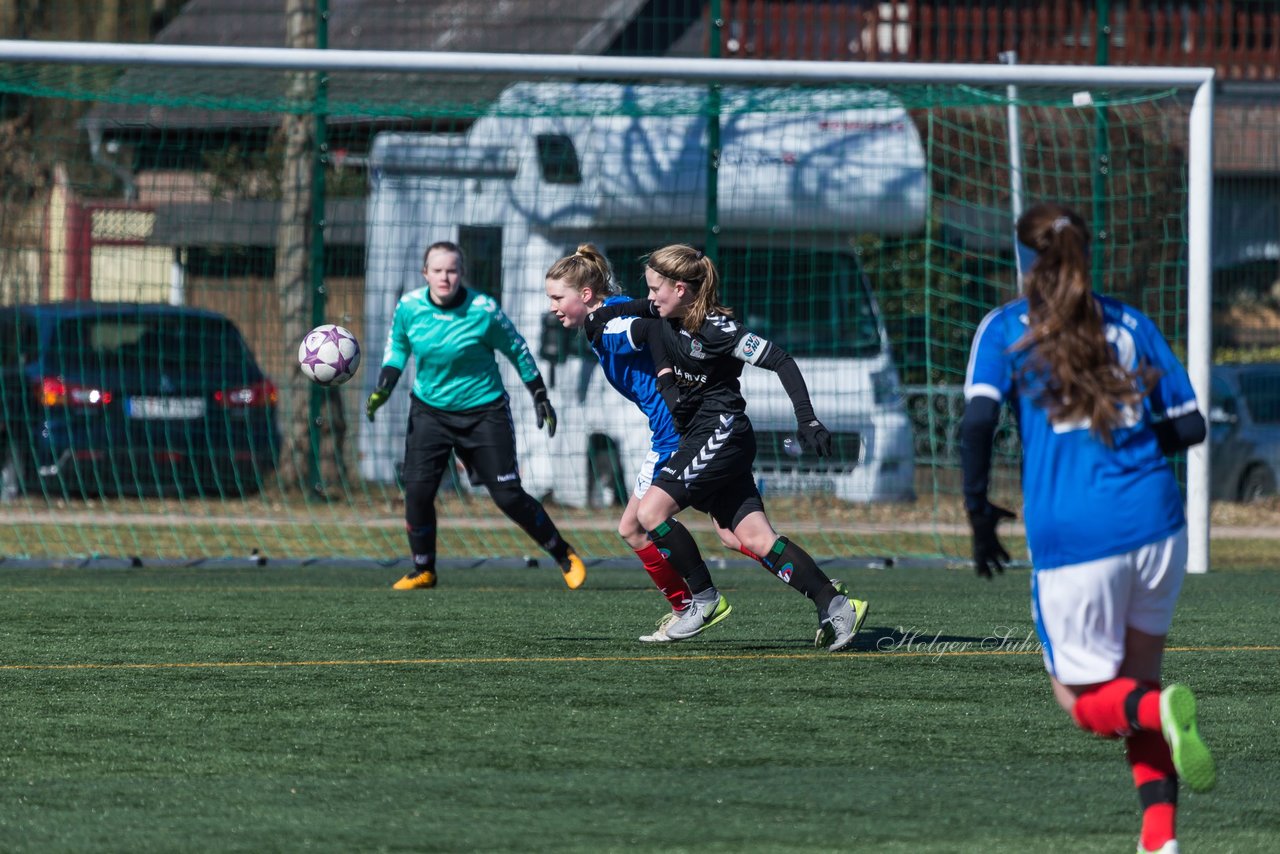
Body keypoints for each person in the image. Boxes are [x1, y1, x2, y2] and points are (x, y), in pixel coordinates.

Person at [960, 202, 1215, 854]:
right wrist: (1126, 442)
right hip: (1159, 521)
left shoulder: (1007, 327)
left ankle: (1158, 714)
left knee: (1086, 704)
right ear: (1084, 255)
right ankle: (1160, 839)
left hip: (1078, 534)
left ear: (1023, 259)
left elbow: (979, 424)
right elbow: (1190, 426)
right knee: (1135, 682)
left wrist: (978, 510)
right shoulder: (1129, 322)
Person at [584, 243, 869, 652]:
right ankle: (837, 605)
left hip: (722, 432)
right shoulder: (662, 312)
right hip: (706, 436)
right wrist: (599, 318)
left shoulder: (718, 330)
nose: (648, 298)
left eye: (654, 289)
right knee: (752, 538)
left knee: (649, 512)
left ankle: (704, 599)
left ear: (681, 289)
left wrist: (807, 418)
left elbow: (781, 360)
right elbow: (624, 311)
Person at [546, 243, 760, 642]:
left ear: (587, 295)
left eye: (559, 298)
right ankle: (796, 579)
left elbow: (652, 327)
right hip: (673, 430)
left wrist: (664, 377)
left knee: (638, 525)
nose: (554, 307)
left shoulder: (608, 325)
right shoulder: (612, 315)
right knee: (732, 535)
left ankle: (696, 603)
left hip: (676, 433)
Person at [366, 240, 587, 591]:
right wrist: (384, 385)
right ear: (425, 274)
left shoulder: (483, 310)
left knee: (507, 495)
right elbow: (398, 347)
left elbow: (517, 348)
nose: (445, 277)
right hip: (430, 412)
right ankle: (424, 568)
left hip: (484, 412)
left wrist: (539, 393)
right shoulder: (409, 306)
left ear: (461, 274)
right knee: (418, 491)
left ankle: (564, 554)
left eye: (452, 270)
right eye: (437, 270)